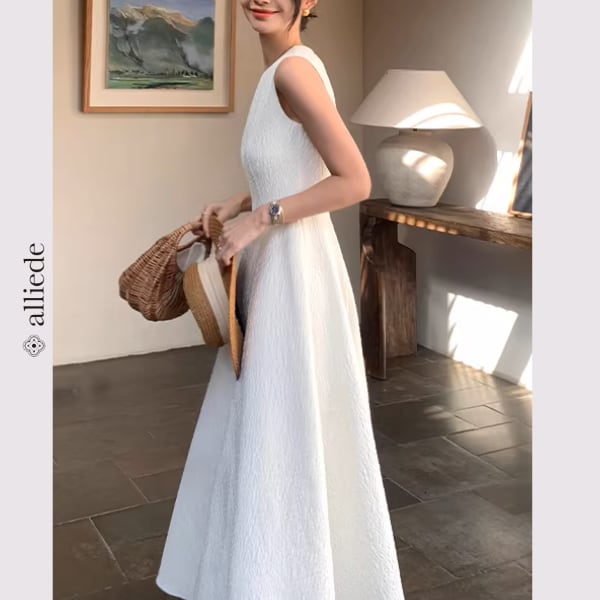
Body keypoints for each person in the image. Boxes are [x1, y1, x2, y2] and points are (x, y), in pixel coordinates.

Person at [156, 1, 406, 598]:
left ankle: (279, 577)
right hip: (276, 266)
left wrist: (260, 218)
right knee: (268, 420)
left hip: (295, 271)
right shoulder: (282, 70)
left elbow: (355, 180)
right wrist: (241, 202)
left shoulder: (294, 71)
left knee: (278, 422)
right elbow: (298, 168)